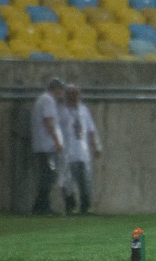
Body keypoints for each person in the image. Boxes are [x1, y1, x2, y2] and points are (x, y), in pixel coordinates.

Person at [59, 85, 102, 215]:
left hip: (82, 151)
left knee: (85, 180)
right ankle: (70, 206)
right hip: (67, 151)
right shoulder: (62, 111)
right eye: (71, 94)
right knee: (68, 180)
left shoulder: (84, 110)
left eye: (76, 94)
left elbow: (91, 129)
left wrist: (96, 146)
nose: (74, 96)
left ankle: (86, 206)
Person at [30, 78, 65, 215]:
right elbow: (48, 121)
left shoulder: (43, 99)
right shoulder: (48, 100)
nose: (62, 93)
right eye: (61, 90)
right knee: (49, 176)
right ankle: (41, 206)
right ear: (56, 89)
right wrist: (56, 141)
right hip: (47, 145)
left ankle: (41, 205)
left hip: (43, 144)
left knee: (47, 175)